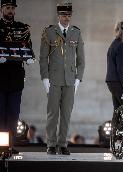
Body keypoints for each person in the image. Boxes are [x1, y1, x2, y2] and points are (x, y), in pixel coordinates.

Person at [39, 2, 85, 155]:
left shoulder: (76, 32)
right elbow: (43, 58)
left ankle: (63, 144)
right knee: (52, 113)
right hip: (53, 79)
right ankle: (51, 144)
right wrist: (45, 78)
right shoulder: (49, 32)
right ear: (58, 15)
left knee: (66, 114)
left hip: (70, 81)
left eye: (69, 15)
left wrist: (78, 79)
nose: (67, 18)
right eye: (64, 15)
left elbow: (81, 60)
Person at [0, 0, 34, 154]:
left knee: (13, 114)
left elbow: (27, 47)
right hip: (0, 78)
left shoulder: (22, 28)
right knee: (1, 114)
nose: (11, 11)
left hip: (16, 78)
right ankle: (1, 145)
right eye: (8, 8)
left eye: (13, 8)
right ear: (2, 9)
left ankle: (10, 145)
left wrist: (30, 57)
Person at [106, 21, 123, 111]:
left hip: (112, 82)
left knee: (118, 109)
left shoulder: (114, 45)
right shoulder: (122, 47)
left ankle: (115, 125)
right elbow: (122, 69)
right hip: (118, 83)